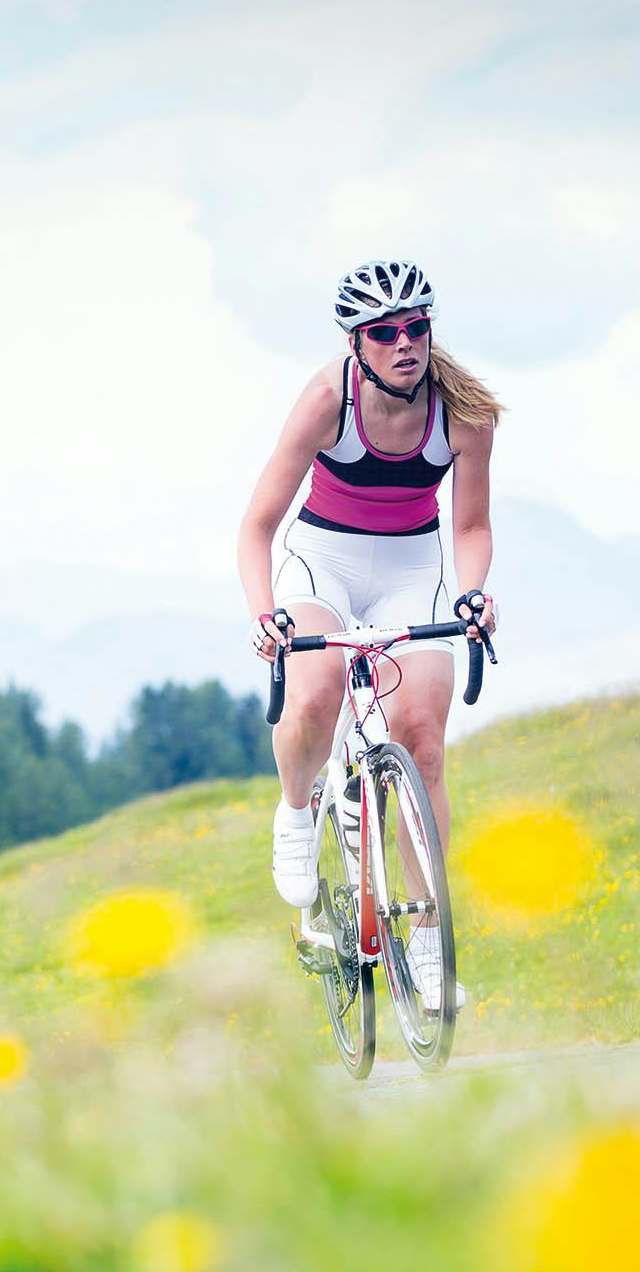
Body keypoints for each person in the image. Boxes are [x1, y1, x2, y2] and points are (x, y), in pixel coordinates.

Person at [236, 259, 500, 1011]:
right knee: (314, 697)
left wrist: (476, 594)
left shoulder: (466, 411)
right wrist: (266, 615)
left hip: (413, 567)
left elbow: (473, 526)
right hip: (325, 563)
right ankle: (295, 806)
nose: (403, 343)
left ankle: (426, 938)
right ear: (356, 344)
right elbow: (257, 527)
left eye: (415, 327)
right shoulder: (328, 400)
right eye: (383, 333)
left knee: (423, 739)